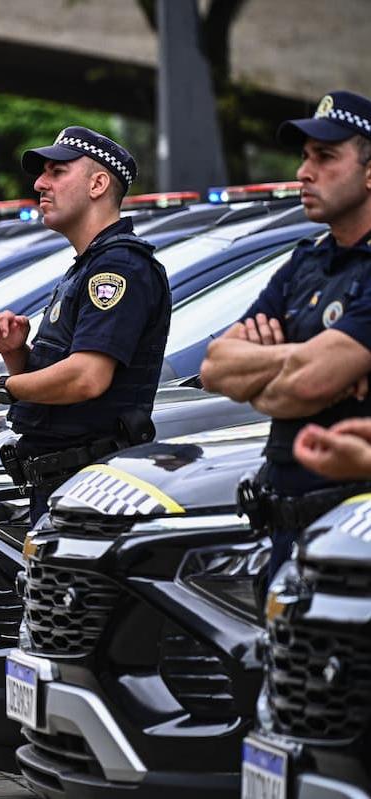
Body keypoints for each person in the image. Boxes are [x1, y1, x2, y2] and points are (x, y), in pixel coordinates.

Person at [0, 126, 171, 522]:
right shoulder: (88, 265)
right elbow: (55, 390)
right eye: (43, 173)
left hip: (92, 488)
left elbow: (87, 378)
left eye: (57, 172)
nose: (40, 183)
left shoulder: (118, 266)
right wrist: (17, 353)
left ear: (98, 184)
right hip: (62, 482)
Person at [201, 90, 371, 580]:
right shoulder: (305, 262)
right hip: (284, 531)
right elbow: (214, 367)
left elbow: (308, 386)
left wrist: (277, 370)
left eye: (325, 157)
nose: (304, 172)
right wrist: (305, 356)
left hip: (352, 534)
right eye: (304, 157)